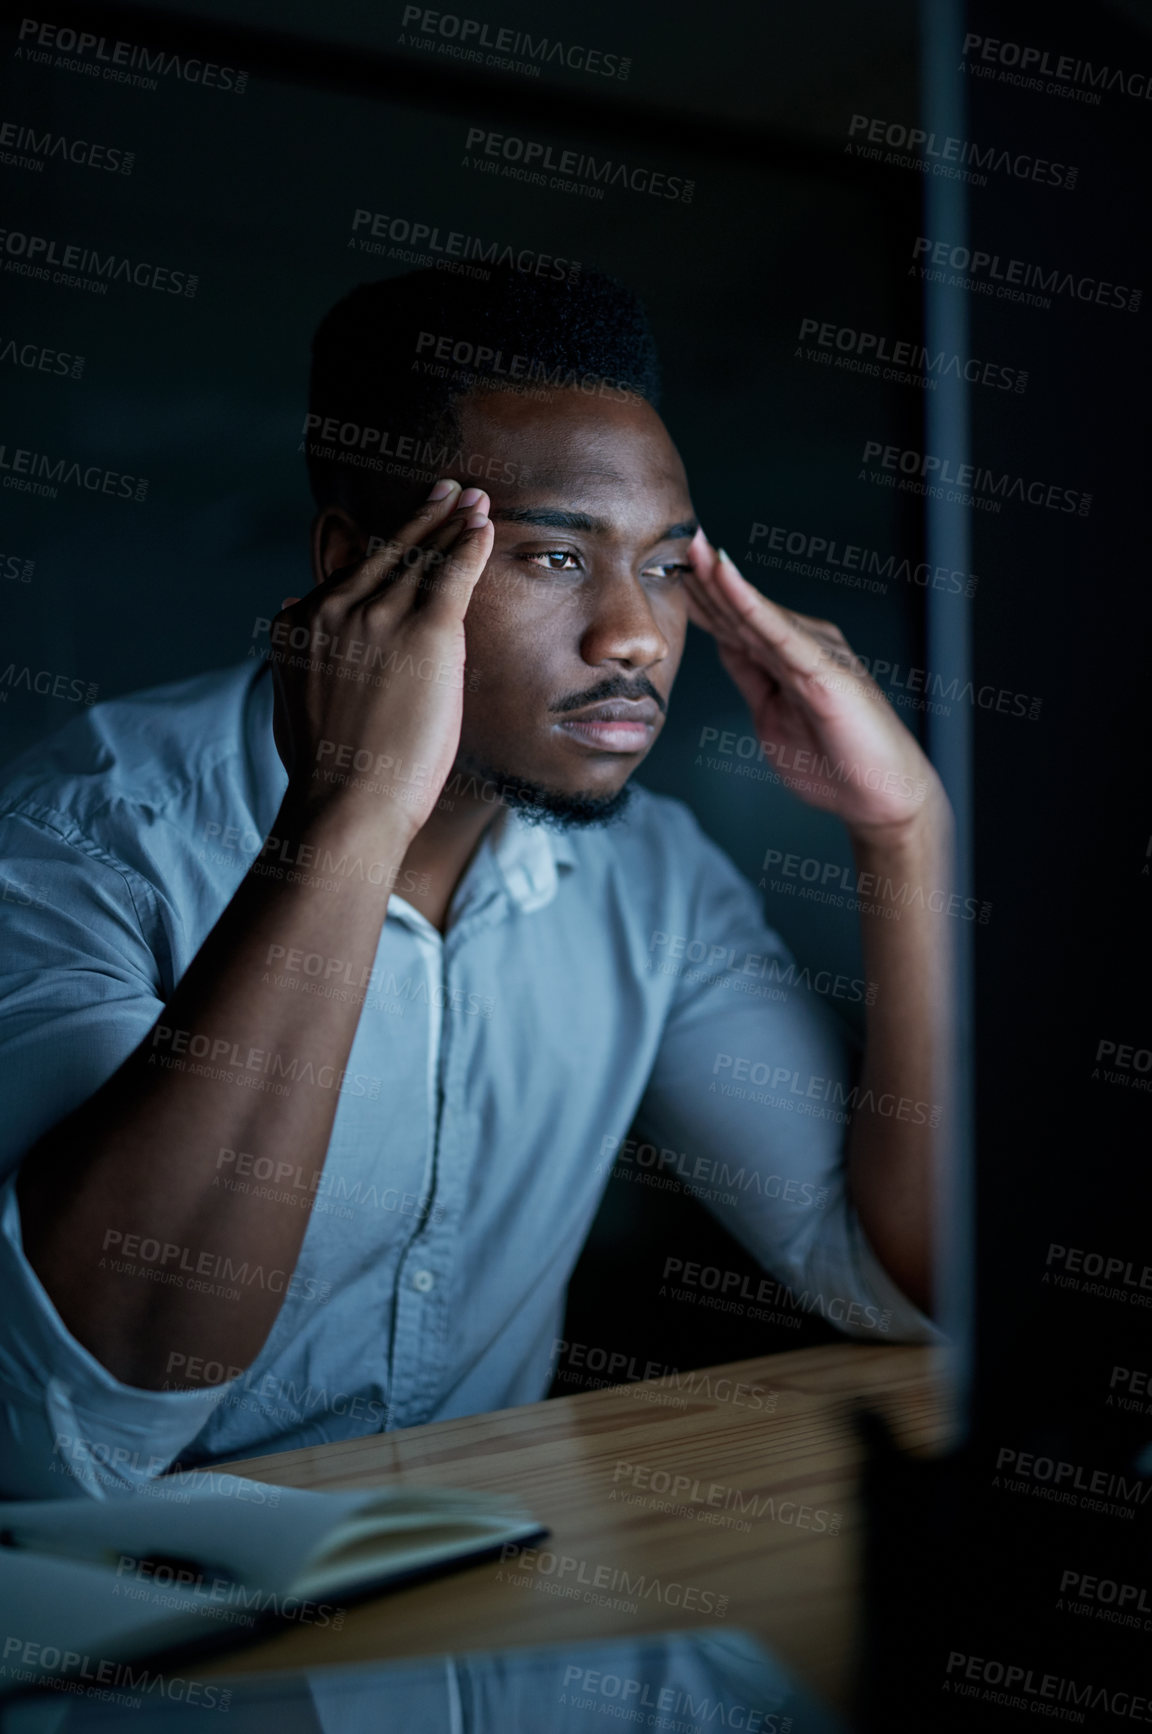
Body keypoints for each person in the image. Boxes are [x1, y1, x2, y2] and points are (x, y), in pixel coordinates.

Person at [0, 267, 950, 1498]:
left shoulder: (651, 878)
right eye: (558, 557)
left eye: (664, 568)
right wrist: (354, 813)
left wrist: (907, 834)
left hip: (474, 1620)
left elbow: (896, 1280)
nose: (636, 638)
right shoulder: (86, 842)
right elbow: (82, 1424)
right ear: (355, 565)